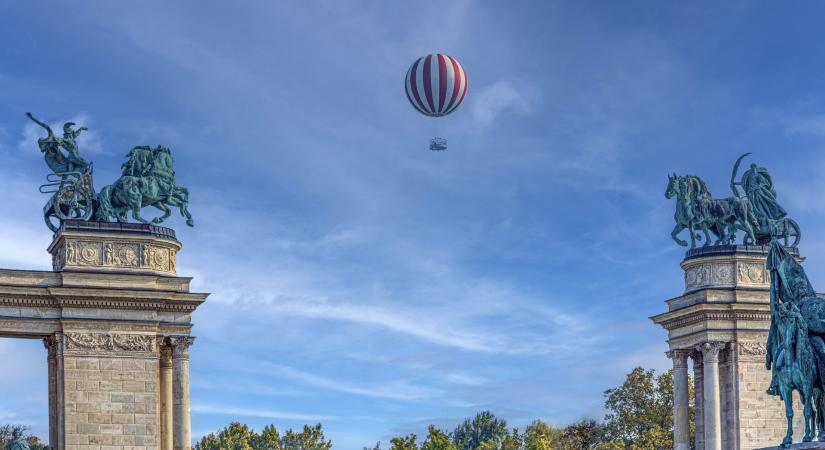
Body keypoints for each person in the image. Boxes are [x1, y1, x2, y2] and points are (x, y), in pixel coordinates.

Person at [740, 163, 786, 228]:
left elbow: (764, 182)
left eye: (753, 167)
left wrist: (758, 186)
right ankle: (757, 217)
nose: (753, 168)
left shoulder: (758, 175)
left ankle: (767, 215)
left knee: (762, 203)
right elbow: (744, 183)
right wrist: (734, 183)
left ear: (755, 168)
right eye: (751, 167)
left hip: (758, 192)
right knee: (752, 205)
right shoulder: (749, 176)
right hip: (751, 192)